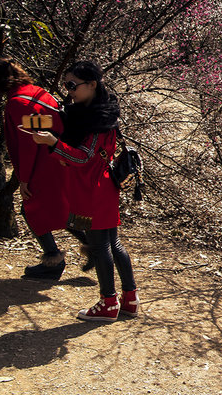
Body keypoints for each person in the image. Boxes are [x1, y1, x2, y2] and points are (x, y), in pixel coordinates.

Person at [25, 60, 140, 322]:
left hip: (90, 192)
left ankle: (108, 303)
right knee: (112, 243)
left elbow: (84, 157)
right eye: (67, 85)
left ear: (91, 84)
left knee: (100, 247)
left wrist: (53, 144)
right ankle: (129, 300)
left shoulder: (100, 119)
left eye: (73, 85)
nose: (69, 91)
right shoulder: (90, 112)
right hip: (98, 188)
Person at [0, 57, 88, 279]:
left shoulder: (18, 104)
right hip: (58, 157)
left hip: (44, 164)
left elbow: (30, 144)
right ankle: (96, 244)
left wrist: (24, 179)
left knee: (31, 210)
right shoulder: (36, 92)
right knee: (61, 209)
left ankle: (53, 260)